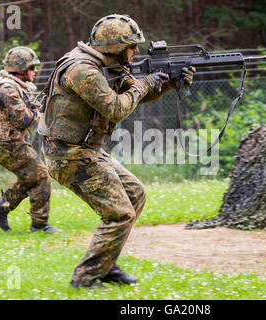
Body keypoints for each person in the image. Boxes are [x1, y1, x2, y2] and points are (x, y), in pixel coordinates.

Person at [39, 14, 195, 288]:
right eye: (131, 47)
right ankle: (85, 279)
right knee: (119, 214)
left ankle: (105, 265)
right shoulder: (83, 70)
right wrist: (147, 82)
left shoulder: (108, 63)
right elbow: (116, 108)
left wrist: (170, 82)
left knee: (135, 195)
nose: (136, 52)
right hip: (69, 156)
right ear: (114, 46)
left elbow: (135, 93)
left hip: (86, 151)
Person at [0, 46, 63, 234]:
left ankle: (0, 207)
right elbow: (24, 119)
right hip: (4, 143)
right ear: (20, 69)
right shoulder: (7, 89)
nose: (35, 71)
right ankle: (39, 225)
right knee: (41, 176)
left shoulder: (12, 85)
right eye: (32, 68)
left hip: (5, 142)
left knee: (31, 177)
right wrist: (41, 111)